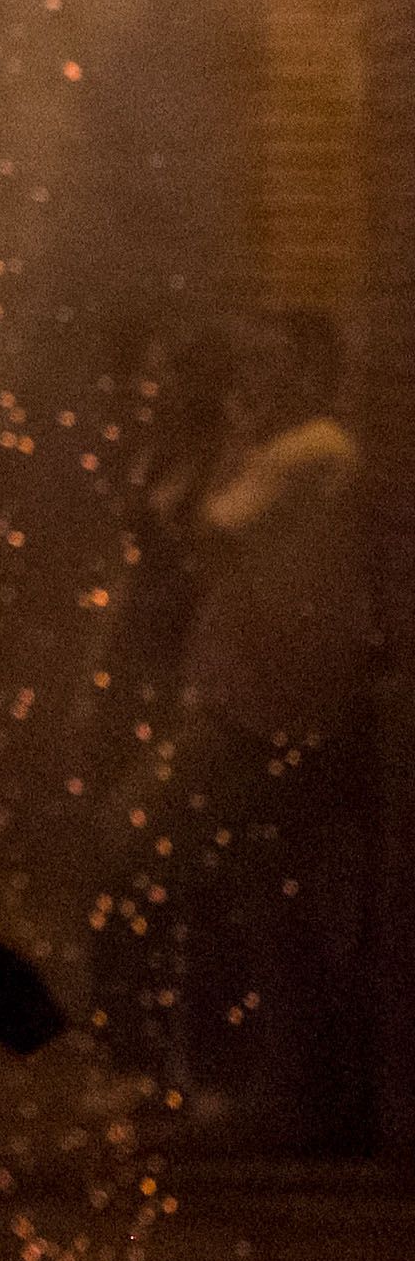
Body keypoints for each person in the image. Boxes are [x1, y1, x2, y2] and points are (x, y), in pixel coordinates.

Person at [167, 310, 371, 1149]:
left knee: (259, 896)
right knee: (260, 895)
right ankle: (265, 1087)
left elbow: (200, 539)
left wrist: (232, 442)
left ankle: (280, 1095)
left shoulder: (313, 452)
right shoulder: (293, 452)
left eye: (273, 364)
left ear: (312, 371)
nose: (254, 380)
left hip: (274, 713)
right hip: (256, 703)